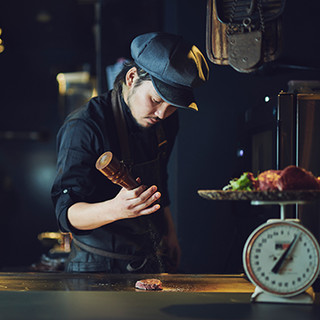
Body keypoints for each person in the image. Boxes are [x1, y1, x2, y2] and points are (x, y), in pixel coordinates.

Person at [51, 32, 209, 273]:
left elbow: (159, 181)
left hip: (150, 258)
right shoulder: (84, 126)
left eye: (173, 107)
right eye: (155, 100)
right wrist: (115, 209)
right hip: (95, 267)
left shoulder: (166, 122)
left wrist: (170, 233)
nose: (162, 114)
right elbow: (66, 215)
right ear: (132, 77)